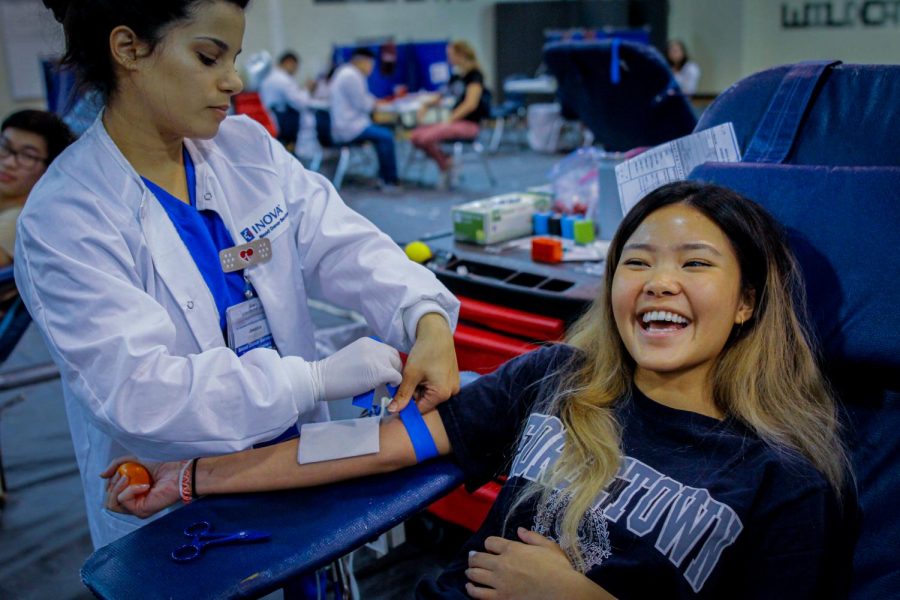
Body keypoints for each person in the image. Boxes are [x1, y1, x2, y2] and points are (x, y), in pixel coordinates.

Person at [107, 181, 855, 598]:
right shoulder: (558, 377)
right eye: (637, 262)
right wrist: (191, 477)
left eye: (695, 264)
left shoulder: (785, 481)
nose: (660, 280)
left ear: (750, 300)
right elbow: (376, 443)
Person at [23, 0, 460, 548]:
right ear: (128, 49)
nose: (233, 80)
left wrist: (424, 315)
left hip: (299, 462)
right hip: (178, 502)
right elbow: (140, 396)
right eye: (209, 57)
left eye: (235, 57)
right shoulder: (67, 215)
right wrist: (314, 381)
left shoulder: (242, 149)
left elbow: (343, 242)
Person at [0, 110, 75, 267]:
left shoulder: (21, 221)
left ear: (49, 169)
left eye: (28, 156)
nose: (9, 163)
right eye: (5, 146)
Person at [410, 41, 490, 184]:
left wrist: (450, 119)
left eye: (450, 55)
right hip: (454, 121)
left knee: (426, 138)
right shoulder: (456, 76)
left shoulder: (475, 76)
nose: (448, 59)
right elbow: (440, 96)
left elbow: (470, 104)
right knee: (416, 136)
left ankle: (446, 165)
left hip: (469, 124)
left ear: (460, 55)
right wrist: (425, 105)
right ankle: (447, 163)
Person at [329, 48, 399, 187]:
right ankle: (389, 180)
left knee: (382, 132)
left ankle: (383, 175)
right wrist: (378, 104)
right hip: (350, 127)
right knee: (386, 136)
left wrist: (376, 102)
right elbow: (363, 104)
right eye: (370, 65)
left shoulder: (345, 72)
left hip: (346, 124)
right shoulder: (352, 76)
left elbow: (363, 98)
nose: (371, 69)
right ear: (362, 62)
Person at [259, 50, 312, 148]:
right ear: (289, 62)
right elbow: (301, 103)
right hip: (282, 123)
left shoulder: (269, 77)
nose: (295, 71)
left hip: (270, 120)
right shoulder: (283, 79)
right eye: (295, 67)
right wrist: (307, 89)